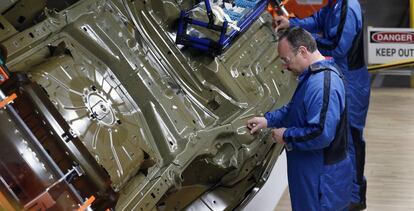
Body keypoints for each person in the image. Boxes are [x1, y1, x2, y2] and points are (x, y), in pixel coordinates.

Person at [274, 0, 370, 209]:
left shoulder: (347, 6)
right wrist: (293, 24)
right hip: (343, 73)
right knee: (341, 136)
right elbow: (318, 19)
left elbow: (338, 47)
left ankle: (356, 196)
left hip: (352, 80)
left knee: (351, 138)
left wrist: (308, 44)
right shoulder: (335, 3)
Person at [247, 27, 352, 211]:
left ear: (303, 51)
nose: (284, 66)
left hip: (321, 178)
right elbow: (294, 109)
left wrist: (286, 135)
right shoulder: (311, 75)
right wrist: (267, 120)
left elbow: (321, 134)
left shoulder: (322, 84)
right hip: (309, 172)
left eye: (286, 60)